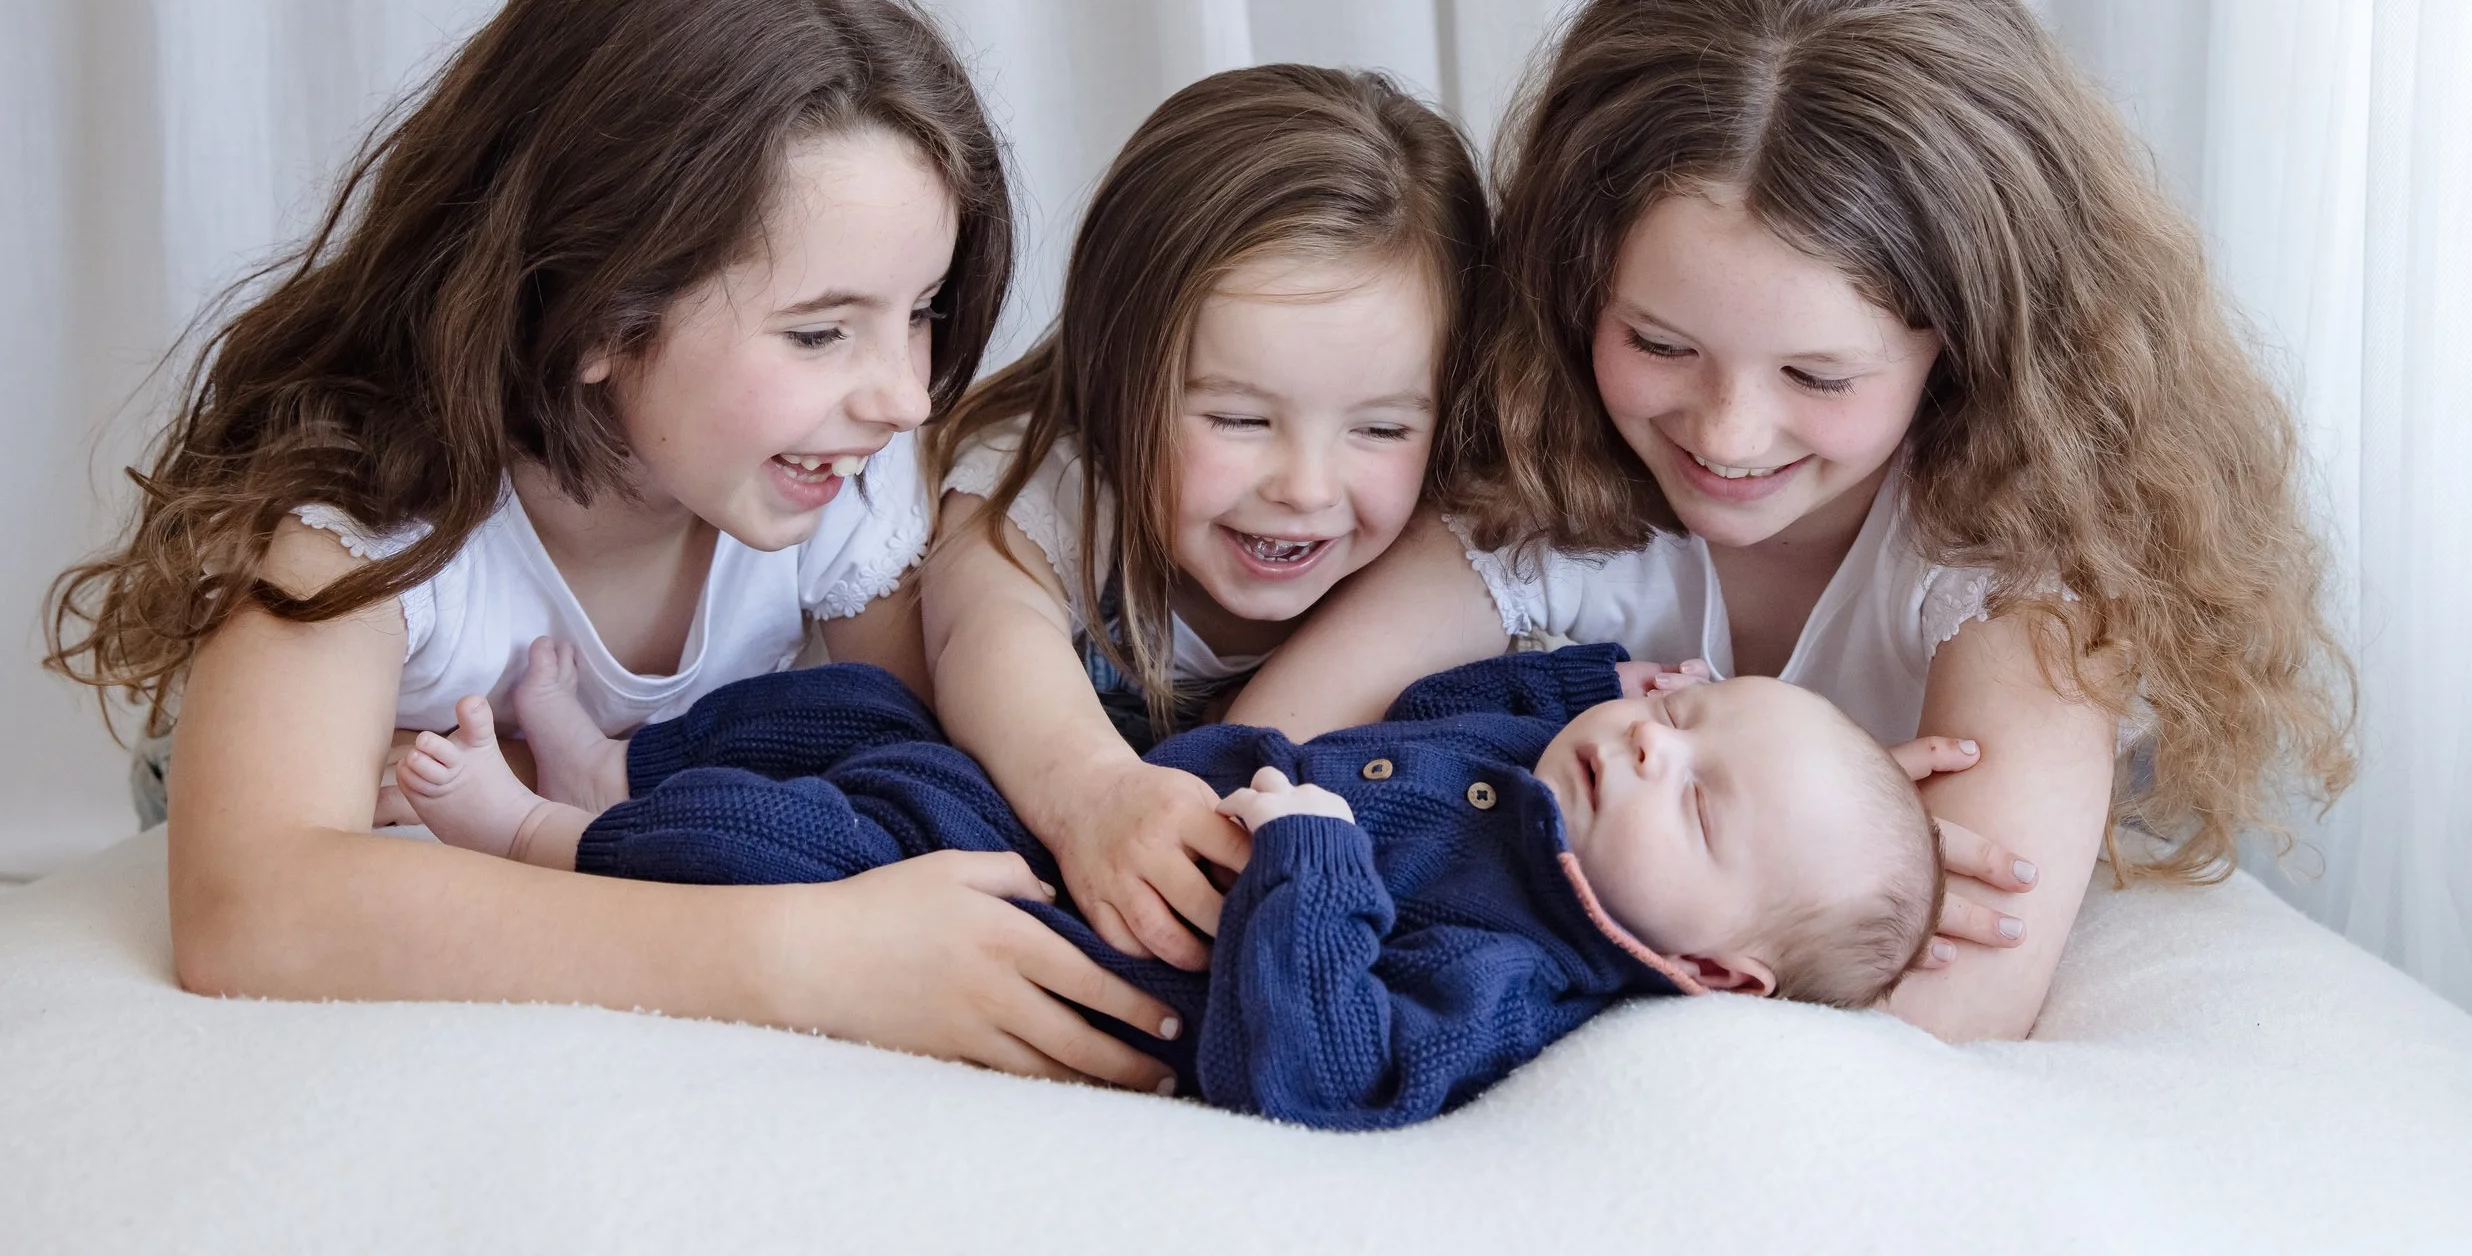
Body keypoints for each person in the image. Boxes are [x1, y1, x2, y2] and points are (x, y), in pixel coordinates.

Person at [44, 0, 1183, 1090]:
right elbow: (252, 909)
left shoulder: (832, 467)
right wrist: (811, 959)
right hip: (255, 764)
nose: (904, 396)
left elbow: (907, 743)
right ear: (597, 310)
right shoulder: (362, 519)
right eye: (818, 332)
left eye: (922, 312)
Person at [1226, 0, 2358, 1042]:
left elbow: (1951, 1012)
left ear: (1963, 345)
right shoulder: (1550, 501)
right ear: (1576, 291)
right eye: (1660, 345)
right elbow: (1252, 757)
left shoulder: (2004, 578)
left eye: (1817, 374)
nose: (1726, 432)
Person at [393, 639, 1951, 1130]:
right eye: (1682, 720)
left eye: (1704, 805)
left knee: (796, 843)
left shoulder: (1513, 978)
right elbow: (1433, 703)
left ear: (1718, 975)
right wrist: (1596, 668)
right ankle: (625, 767)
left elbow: (1319, 1070)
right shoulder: (1556, 751)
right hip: (1067, 809)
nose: (1650, 755)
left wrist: (1316, 866)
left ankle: (537, 835)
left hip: (1044, 927)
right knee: (859, 718)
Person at [917, 64, 1494, 972]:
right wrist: (1093, 793)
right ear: (1118, 375)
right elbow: (984, 636)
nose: (1306, 487)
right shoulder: (1050, 483)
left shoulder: (1438, 536)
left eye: (1381, 427)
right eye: (1237, 418)